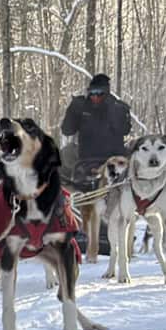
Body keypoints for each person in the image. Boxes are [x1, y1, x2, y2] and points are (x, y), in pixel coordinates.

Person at [60, 72, 134, 255]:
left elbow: (125, 129)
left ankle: (112, 229)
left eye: (99, 93)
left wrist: (116, 111)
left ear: (106, 93)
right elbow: (67, 130)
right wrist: (73, 110)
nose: (95, 97)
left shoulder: (118, 107)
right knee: (74, 182)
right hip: (86, 158)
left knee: (114, 191)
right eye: (92, 93)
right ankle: (77, 224)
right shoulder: (81, 107)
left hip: (113, 159)